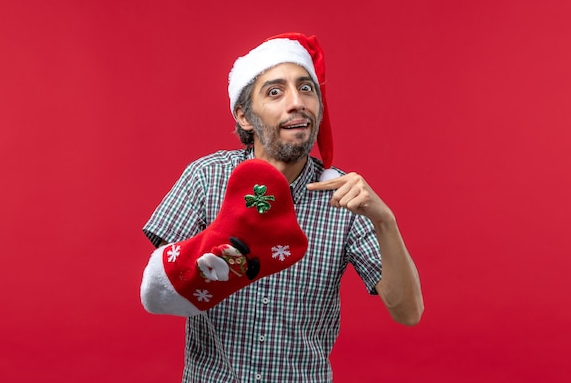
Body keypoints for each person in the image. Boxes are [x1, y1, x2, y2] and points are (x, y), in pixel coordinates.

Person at [140, 33, 424, 382]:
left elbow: (408, 312)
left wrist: (385, 221)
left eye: (307, 89)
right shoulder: (207, 178)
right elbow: (160, 288)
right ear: (245, 117)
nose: (297, 102)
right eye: (275, 92)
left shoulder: (345, 196)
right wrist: (224, 247)